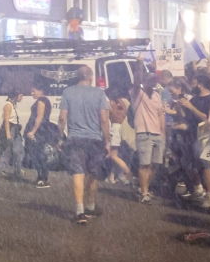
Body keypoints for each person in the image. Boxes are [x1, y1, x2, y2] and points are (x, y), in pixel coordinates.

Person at [58, 66, 111, 225]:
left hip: (75, 139)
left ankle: (80, 212)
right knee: (93, 173)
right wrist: (107, 141)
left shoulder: (68, 92)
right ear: (91, 77)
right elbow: (103, 119)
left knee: (78, 174)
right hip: (94, 139)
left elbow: (62, 118)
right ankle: (91, 206)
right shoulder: (99, 93)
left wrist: (60, 137)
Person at [176, 74, 210, 210]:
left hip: (206, 135)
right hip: (192, 135)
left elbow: (206, 118)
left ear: (200, 84)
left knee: (205, 165)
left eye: (195, 82)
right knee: (189, 164)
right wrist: (180, 109)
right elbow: (188, 118)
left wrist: (190, 107)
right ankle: (199, 190)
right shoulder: (194, 99)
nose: (193, 84)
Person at [131, 73, 166, 204]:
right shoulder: (137, 93)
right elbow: (136, 81)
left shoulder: (157, 95)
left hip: (158, 134)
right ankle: (144, 192)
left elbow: (160, 114)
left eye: (154, 80)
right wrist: (139, 66)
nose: (152, 83)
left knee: (155, 165)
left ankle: (144, 188)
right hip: (144, 133)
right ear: (144, 81)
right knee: (144, 164)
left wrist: (163, 133)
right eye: (150, 80)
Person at [24, 80, 57, 188]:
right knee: (37, 154)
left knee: (37, 154)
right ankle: (41, 176)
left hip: (39, 131)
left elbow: (39, 117)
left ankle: (43, 178)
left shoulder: (41, 101)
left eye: (34, 91)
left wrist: (33, 131)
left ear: (41, 91)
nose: (32, 93)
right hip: (41, 130)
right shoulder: (44, 100)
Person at [106, 88, 134, 184]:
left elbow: (106, 120)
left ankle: (128, 172)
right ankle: (112, 176)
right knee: (121, 154)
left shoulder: (109, 104)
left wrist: (107, 136)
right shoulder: (125, 102)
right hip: (125, 129)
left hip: (115, 129)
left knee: (114, 155)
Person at [0, 90, 25, 180]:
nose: (22, 98)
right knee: (7, 150)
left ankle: (17, 170)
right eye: (20, 96)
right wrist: (8, 134)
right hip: (10, 129)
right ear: (15, 96)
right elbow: (6, 121)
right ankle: (1, 169)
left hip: (15, 129)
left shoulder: (13, 105)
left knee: (18, 150)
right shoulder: (8, 105)